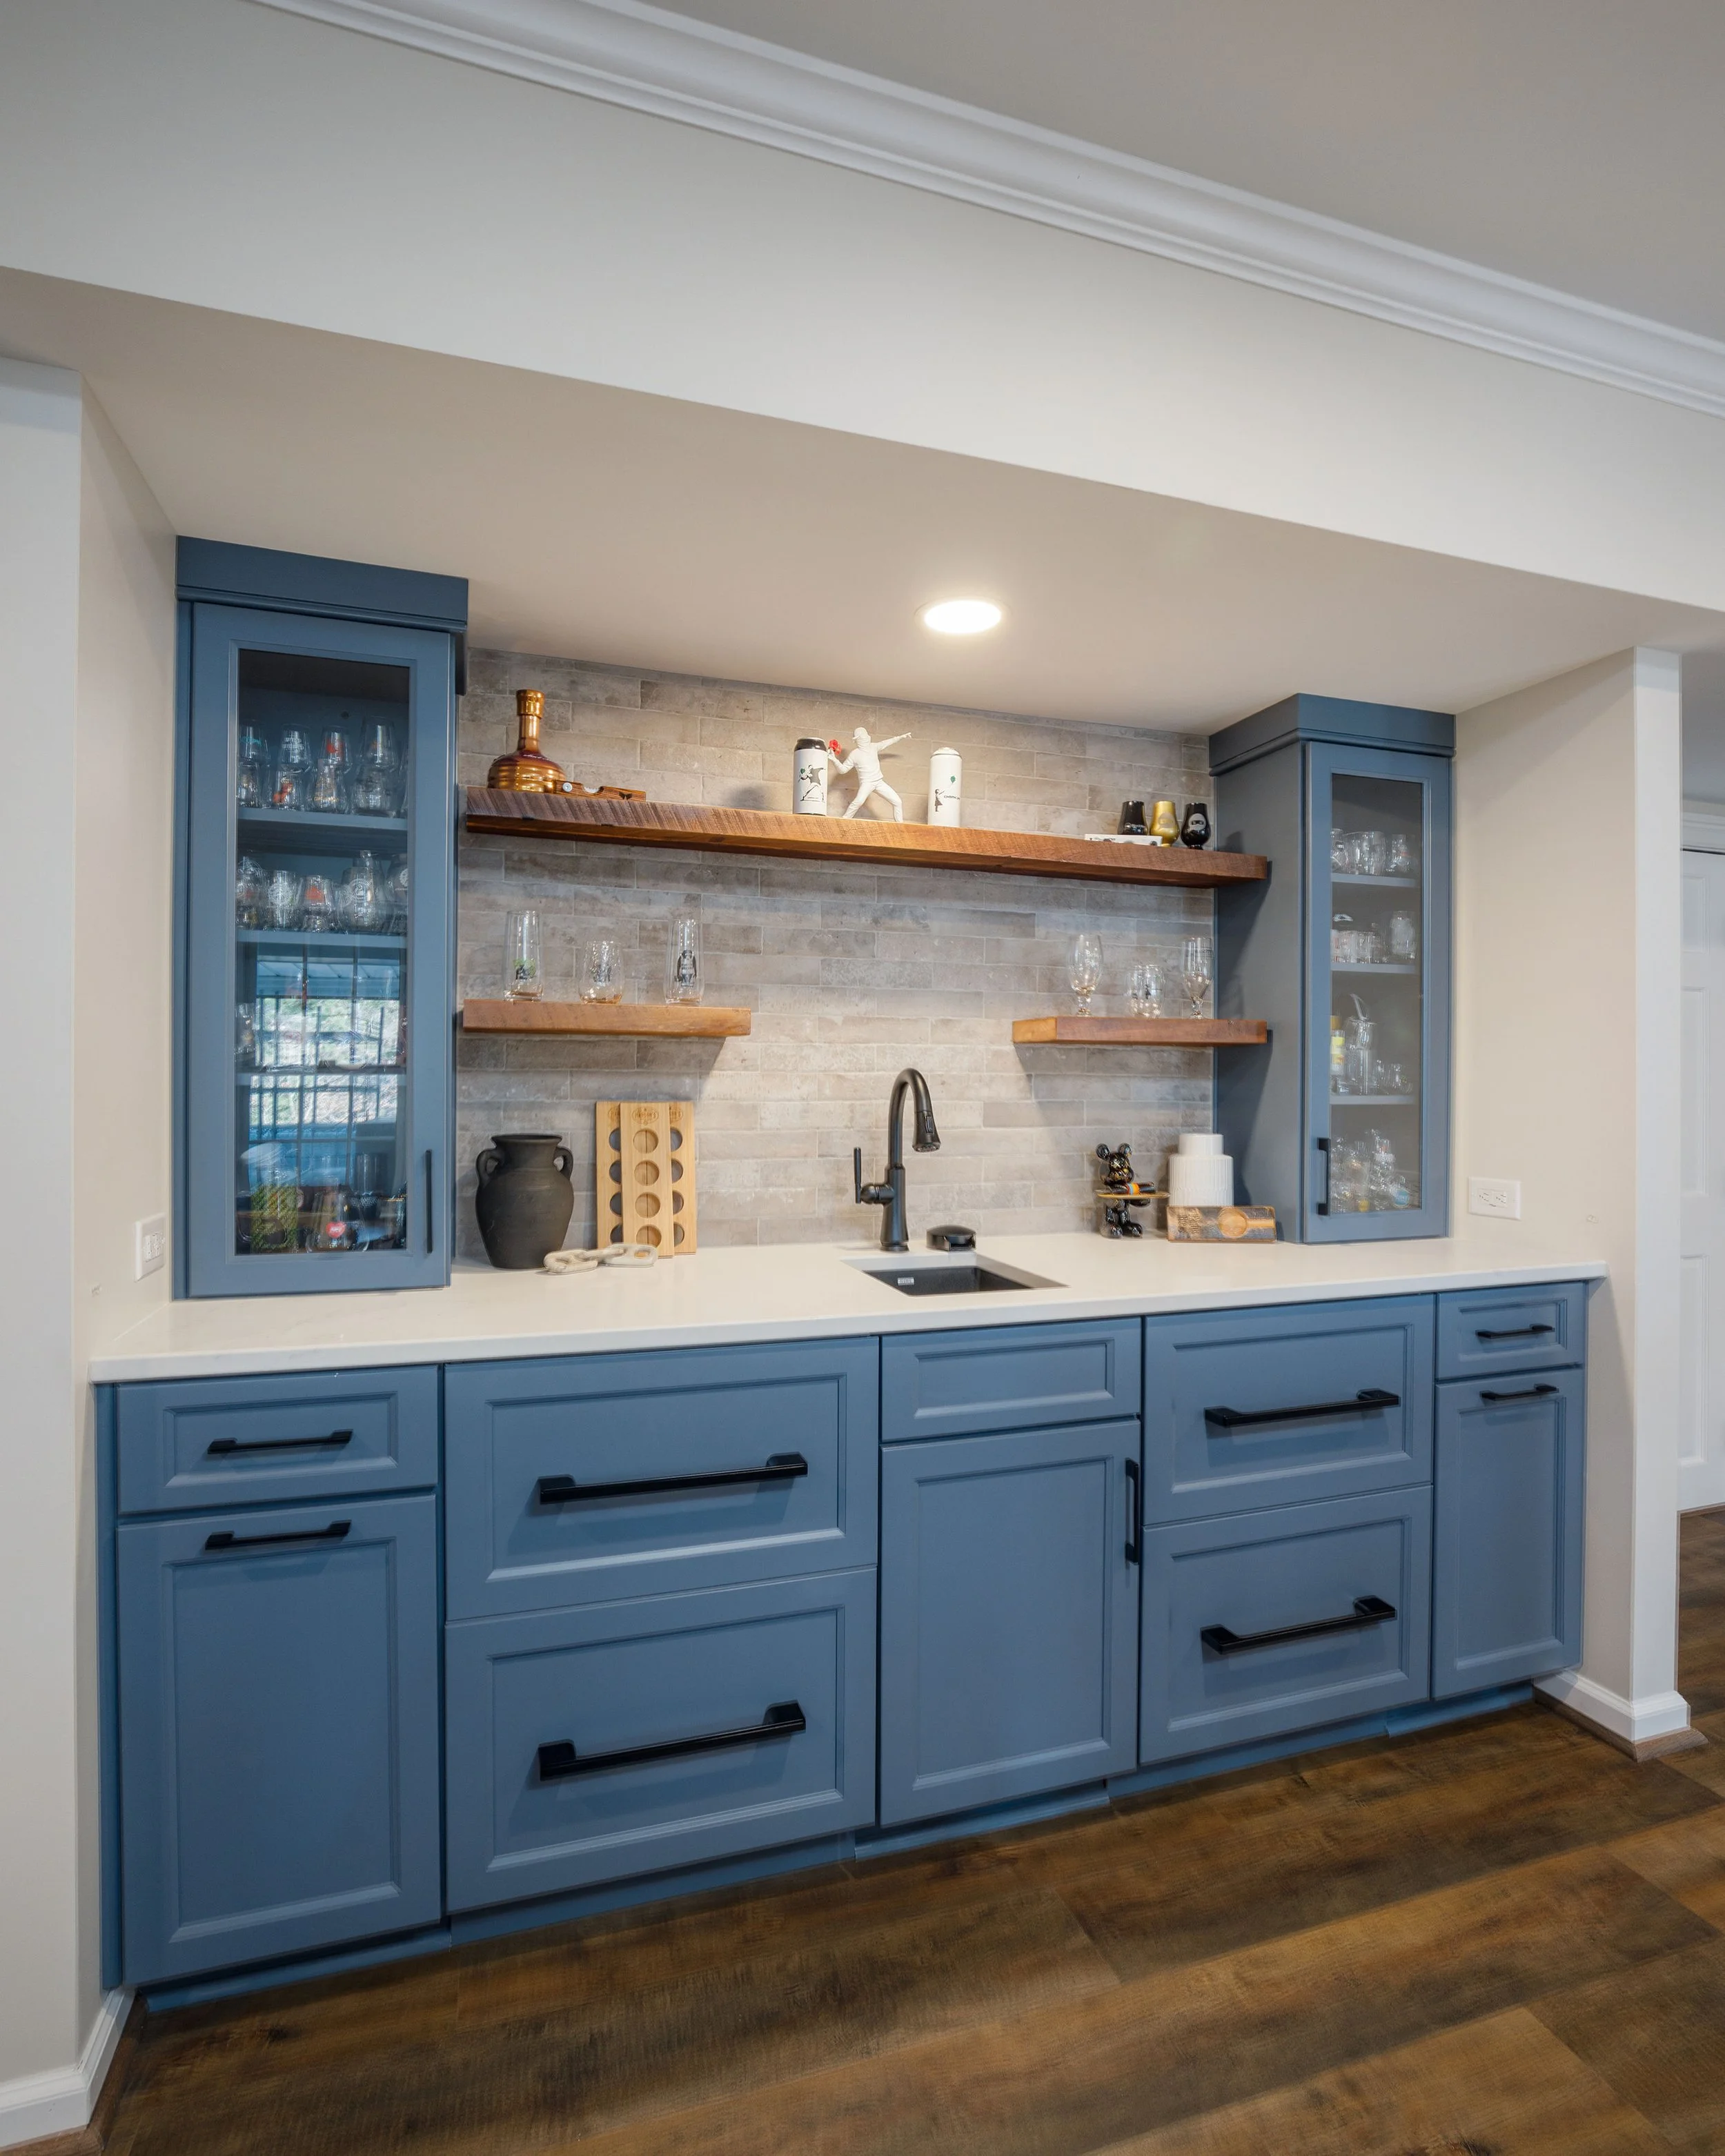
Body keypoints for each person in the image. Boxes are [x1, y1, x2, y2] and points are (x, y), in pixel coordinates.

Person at [830, 726, 911, 821]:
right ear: (858, 739)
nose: (865, 738)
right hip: (867, 783)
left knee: (897, 802)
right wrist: (834, 760)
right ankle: (845, 819)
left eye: (865, 736)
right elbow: (843, 770)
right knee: (859, 801)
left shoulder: (874, 747)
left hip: (879, 782)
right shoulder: (855, 754)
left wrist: (900, 737)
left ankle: (900, 826)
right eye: (862, 737)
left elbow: (886, 743)